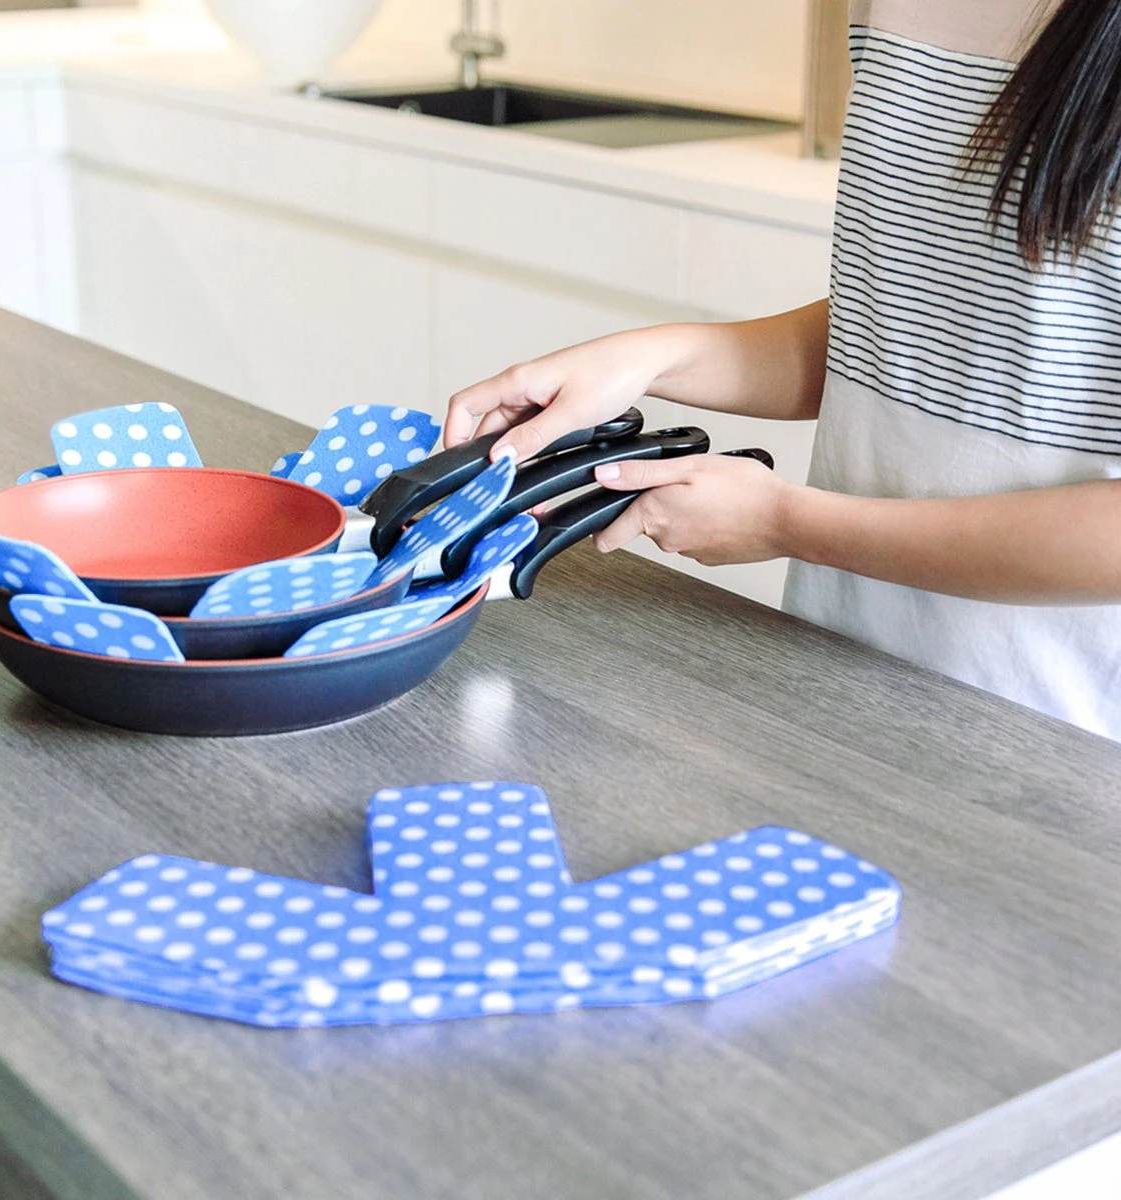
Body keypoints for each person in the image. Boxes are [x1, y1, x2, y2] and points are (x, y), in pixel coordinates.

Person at [442, 0, 1121, 741]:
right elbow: (913, 329)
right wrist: (653, 358)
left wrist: (787, 522)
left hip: (1061, 739)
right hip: (835, 662)